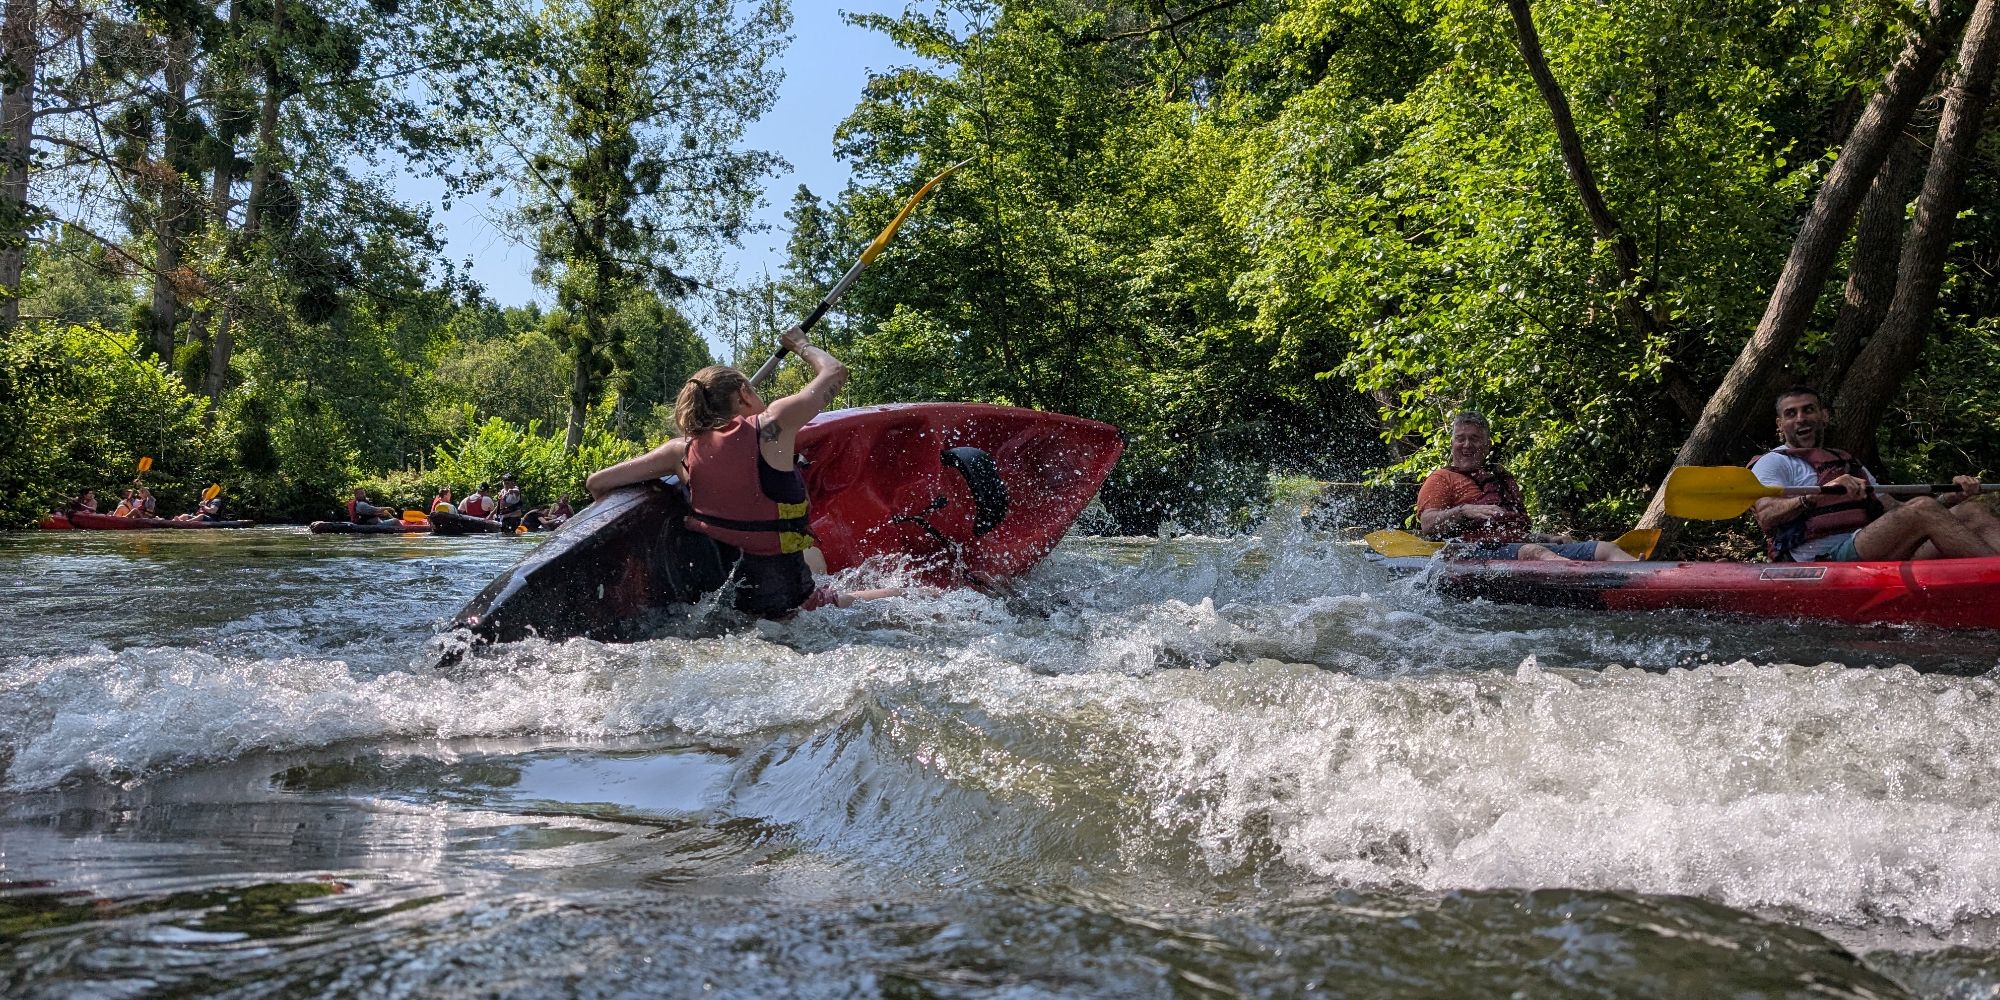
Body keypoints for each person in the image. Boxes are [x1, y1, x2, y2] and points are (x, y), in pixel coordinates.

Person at [585, 326, 902, 617]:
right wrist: (800, 344)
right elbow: (835, 371)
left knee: (815, 557)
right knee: (908, 594)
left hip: (729, 602)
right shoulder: (771, 427)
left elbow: (597, 483)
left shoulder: (678, 453)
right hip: (793, 604)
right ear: (742, 395)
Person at [1750, 387, 1998, 562]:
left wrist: (1949, 500)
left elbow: (1895, 509)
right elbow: (1767, 515)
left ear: (1823, 416)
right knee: (1922, 508)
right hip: (1822, 558)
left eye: (1808, 410)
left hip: (1868, 543)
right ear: (1780, 424)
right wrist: (1816, 495)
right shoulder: (1773, 462)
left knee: (1971, 511)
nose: (1801, 418)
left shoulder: (1844, 459)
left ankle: (1989, 577)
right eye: (1791, 414)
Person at [1414, 411, 1636, 562]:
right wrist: (1464, 511)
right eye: (1460, 439)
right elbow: (1428, 524)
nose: (1466, 445)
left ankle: (1646, 575)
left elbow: (1515, 532)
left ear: (1487, 445)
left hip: (1516, 549)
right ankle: (1595, 581)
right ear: (1452, 443)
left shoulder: (1501, 478)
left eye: (1474, 439)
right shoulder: (1441, 478)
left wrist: (1547, 538)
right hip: (1471, 554)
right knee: (1535, 552)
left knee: (1605, 548)